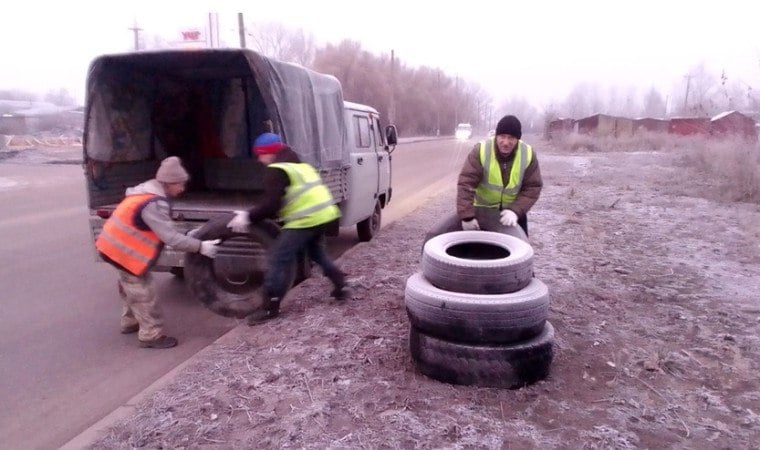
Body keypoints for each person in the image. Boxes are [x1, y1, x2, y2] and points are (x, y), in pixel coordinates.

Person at [96, 156, 221, 349]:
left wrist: (189, 235)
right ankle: (151, 335)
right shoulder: (153, 203)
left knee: (130, 286)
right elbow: (170, 238)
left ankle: (130, 322)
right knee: (143, 292)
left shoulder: (144, 193)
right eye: (180, 184)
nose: (183, 189)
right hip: (123, 252)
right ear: (169, 184)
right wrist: (200, 246)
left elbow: (163, 230)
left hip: (112, 247)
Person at [226, 133, 349, 325]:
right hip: (325, 216)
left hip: (305, 220)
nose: (259, 160)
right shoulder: (301, 166)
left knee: (278, 259)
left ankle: (270, 308)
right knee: (317, 254)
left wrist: (248, 216)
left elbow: (272, 205)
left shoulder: (276, 170)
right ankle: (341, 284)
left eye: (260, 155)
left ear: (269, 153)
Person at [457, 114, 543, 236]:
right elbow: (466, 183)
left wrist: (516, 211)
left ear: (518, 139)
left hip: (512, 215)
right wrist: (466, 216)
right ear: (496, 136)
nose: (506, 142)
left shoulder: (528, 154)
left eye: (511, 137)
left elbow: (533, 187)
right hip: (482, 211)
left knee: (522, 245)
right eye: (502, 136)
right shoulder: (481, 150)